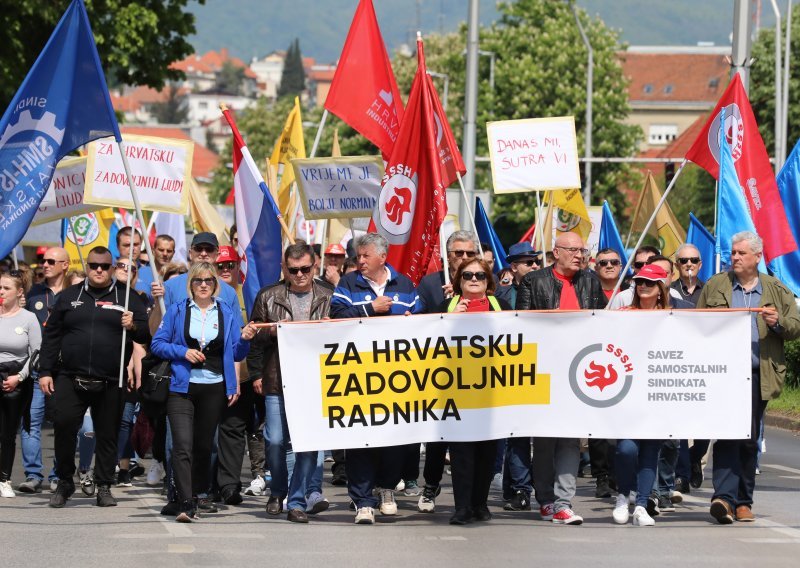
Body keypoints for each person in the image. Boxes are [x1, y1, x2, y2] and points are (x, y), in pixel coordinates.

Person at [697, 231, 800, 524]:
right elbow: (696, 325)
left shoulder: (776, 289)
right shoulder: (717, 285)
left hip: (757, 373)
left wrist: (777, 322)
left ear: (757, 256)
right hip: (722, 373)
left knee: (748, 437)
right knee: (728, 434)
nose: (736, 257)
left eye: (742, 253)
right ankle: (724, 499)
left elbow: (795, 327)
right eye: (733, 252)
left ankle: (743, 501)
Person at [39, 246, 151, 508]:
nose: (98, 270)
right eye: (93, 266)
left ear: (112, 269)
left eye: (104, 266)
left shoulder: (128, 297)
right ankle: (65, 481)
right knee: (65, 427)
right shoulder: (68, 296)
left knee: (107, 434)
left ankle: (103, 485)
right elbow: (52, 338)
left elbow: (145, 336)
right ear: (87, 267)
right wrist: (45, 371)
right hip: (70, 376)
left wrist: (132, 325)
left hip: (111, 379)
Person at [150, 262, 256, 522]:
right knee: (182, 446)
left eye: (209, 280)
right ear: (191, 285)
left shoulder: (227, 313)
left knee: (203, 446)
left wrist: (245, 338)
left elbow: (237, 353)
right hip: (182, 387)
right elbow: (157, 344)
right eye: (198, 281)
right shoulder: (177, 310)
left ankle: (194, 494)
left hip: (214, 387)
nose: (204, 285)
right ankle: (186, 503)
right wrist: (182, 351)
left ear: (215, 284)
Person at [517, 232, 607, 525]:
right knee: (544, 441)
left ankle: (564, 501)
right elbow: (522, 323)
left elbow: (603, 321)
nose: (580, 255)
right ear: (557, 252)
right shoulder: (535, 281)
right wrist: (550, 320)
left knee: (570, 440)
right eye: (573, 249)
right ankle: (544, 498)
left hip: (578, 372)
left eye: (583, 249)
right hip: (545, 369)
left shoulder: (591, 281)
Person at [330, 233, 419, 525]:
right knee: (360, 438)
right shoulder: (348, 283)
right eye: (358, 256)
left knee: (395, 438)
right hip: (359, 376)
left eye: (366, 255)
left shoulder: (404, 284)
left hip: (396, 378)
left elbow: (424, 318)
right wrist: (370, 309)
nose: (360, 261)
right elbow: (337, 314)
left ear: (383, 256)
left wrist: (412, 321)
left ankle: (386, 489)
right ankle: (363, 500)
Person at [248, 243, 333, 523]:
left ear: (314, 267)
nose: (299, 275)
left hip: (315, 381)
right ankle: (278, 490)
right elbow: (254, 338)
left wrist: (333, 326)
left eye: (305, 269)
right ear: (284, 269)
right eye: (293, 270)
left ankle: (296, 502)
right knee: (274, 440)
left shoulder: (328, 295)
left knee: (308, 442)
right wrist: (268, 337)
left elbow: (348, 331)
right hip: (277, 379)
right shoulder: (268, 296)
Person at [438, 257, 510, 524]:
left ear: (488, 280)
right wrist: (446, 320)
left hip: (492, 390)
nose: (474, 280)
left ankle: (480, 503)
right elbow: (425, 339)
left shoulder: (500, 306)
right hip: (457, 391)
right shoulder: (446, 307)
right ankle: (462, 507)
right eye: (467, 276)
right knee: (461, 452)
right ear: (459, 281)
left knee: (488, 452)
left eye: (480, 275)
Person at [412, 231, 480, 510]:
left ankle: (475, 494)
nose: (464, 259)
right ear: (447, 255)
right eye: (458, 253)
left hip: (477, 374)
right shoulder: (430, 284)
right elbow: (419, 323)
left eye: (469, 254)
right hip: (442, 372)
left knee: (473, 437)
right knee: (439, 436)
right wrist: (445, 307)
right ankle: (430, 485)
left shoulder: (485, 281)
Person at [610, 264, 671, 527]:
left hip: (658, 393)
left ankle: (642, 504)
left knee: (650, 451)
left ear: (660, 289)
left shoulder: (672, 317)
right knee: (626, 449)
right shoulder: (623, 314)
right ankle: (623, 496)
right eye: (639, 281)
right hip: (627, 393)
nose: (643, 285)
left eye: (649, 282)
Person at [494, 241, 542, 511]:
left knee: (524, 432)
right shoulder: (503, 296)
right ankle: (521, 488)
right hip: (510, 369)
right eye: (528, 263)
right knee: (516, 432)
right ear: (513, 267)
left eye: (536, 262)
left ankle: (514, 487)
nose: (535, 266)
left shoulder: (545, 287)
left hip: (538, 367)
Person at [18, 247, 69, 493]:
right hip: (38, 369)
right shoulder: (33, 294)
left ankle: (58, 474)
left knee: (63, 423)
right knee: (30, 422)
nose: (44, 265)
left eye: (50, 261)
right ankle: (33, 474)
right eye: (42, 260)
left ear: (65, 265)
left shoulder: (75, 293)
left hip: (66, 370)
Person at [0, 269, 41, 497]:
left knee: (7, 433)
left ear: (19, 292)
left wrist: (19, 378)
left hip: (16, 380)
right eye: (0, 287)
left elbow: (36, 353)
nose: (1, 292)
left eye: (6, 288)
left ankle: (4, 479)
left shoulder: (28, 318)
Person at [495, 242, 541, 309]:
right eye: (529, 262)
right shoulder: (502, 295)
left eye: (537, 261)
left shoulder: (550, 289)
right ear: (514, 267)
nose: (535, 266)